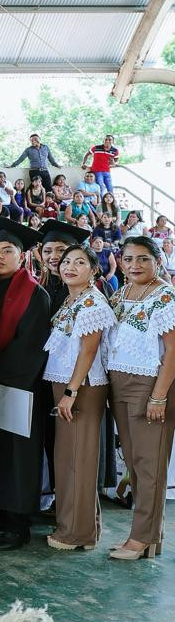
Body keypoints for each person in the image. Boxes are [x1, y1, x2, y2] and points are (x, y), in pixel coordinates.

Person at [0, 218, 53, 552]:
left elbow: (30, 345)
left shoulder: (35, 294)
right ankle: (2, 513)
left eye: (7, 250)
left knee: (18, 454)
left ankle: (19, 524)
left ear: (22, 255)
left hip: (20, 386)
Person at [104, 236, 175, 560]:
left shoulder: (165, 296)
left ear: (158, 261)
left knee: (149, 465)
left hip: (150, 383)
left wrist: (159, 397)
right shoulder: (121, 293)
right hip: (119, 381)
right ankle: (148, 536)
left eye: (143, 258)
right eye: (129, 259)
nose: (135, 265)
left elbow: (173, 350)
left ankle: (142, 538)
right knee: (134, 462)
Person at [42, 245, 113, 552]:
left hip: (82, 387)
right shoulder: (73, 299)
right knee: (69, 457)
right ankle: (81, 527)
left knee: (78, 460)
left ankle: (77, 533)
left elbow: (89, 351)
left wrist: (71, 392)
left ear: (93, 270)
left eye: (79, 262)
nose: (70, 267)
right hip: (66, 384)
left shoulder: (93, 302)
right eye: (66, 261)